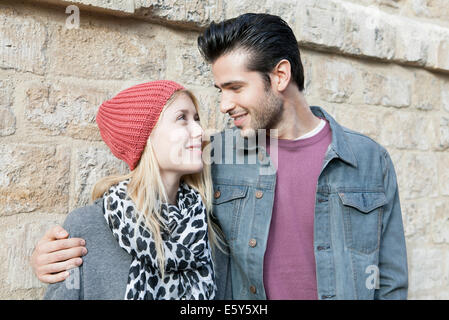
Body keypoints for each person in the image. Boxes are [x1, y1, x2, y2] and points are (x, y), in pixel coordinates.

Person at [31, 13, 408, 300]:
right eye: (219, 89)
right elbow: (148, 200)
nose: (224, 104)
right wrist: (51, 256)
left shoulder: (368, 160)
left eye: (235, 87)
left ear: (279, 76)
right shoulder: (218, 157)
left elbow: (390, 280)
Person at [41, 80, 224, 300]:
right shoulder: (87, 227)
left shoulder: (206, 227)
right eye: (181, 118)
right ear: (146, 137)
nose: (199, 131)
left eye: (196, 119)